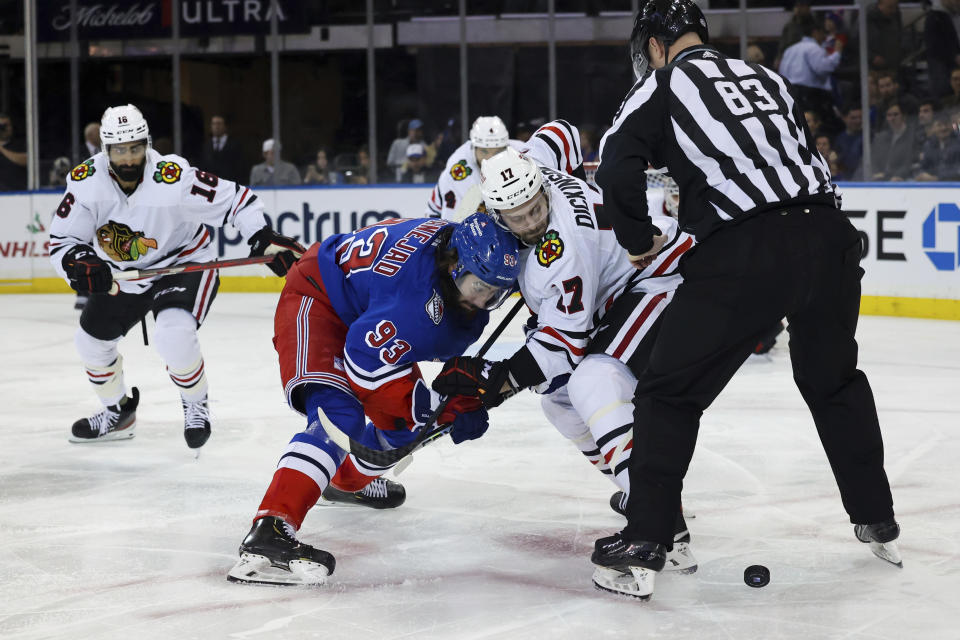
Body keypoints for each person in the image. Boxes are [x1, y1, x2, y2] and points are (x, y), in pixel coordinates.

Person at [589, 0, 899, 600]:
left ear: (655, 44)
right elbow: (797, 158)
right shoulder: (770, 77)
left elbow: (616, 174)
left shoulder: (661, 84)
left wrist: (636, 241)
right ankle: (876, 516)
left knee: (667, 392)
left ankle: (646, 540)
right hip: (831, 236)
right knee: (834, 381)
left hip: (749, 249)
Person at [431, 148, 699, 576]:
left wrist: (494, 383)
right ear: (497, 212)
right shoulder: (533, 160)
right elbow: (561, 133)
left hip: (663, 274)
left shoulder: (561, 252)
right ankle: (639, 489)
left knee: (593, 379)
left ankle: (660, 521)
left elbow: (563, 345)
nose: (532, 221)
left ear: (541, 189)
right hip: (619, 292)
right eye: (518, 217)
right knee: (559, 402)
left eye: (536, 208)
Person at [226, 213, 520, 585]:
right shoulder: (415, 304)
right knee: (339, 415)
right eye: (477, 285)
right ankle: (269, 531)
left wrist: (437, 410)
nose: (482, 300)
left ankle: (345, 481)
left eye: (494, 292)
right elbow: (365, 364)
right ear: (453, 263)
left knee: (405, 428)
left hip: (369, 309)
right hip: (318, 299)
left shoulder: (454, 254)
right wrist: (440, 411)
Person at [48, 104, 306, 449]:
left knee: (173, 334)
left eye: (136, 148)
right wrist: (77, 262)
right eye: (120, 150)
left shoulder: (173, 177)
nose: (129, 158)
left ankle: (195, 403)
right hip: (125, 276)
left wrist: (261, 236)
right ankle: (118, 412)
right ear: (106, 150)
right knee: (90, 342)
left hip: (182, 263)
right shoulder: (85, 183)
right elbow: (63, 240)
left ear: (147, 144)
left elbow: (238, 202)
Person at [426, 115, 583, 220]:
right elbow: (454, 224)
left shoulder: (518, 150)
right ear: (474, 147)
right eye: (485, 151)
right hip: (438, 218)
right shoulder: (459, 172)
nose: (492, 157)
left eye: (500, 150)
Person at [778, 17, 843, 134]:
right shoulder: (813, 48)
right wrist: (837, 53)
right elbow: (822, 69)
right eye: (823, 33)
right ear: (816, 32)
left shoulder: (790, 49)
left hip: (788, 93)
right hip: (809, 95)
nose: (824, 37)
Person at [871, 102, 919, 181]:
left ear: (904, 116)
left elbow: (908, 162)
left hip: (902, 180)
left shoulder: (913, 136)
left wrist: (889, 175)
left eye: (895, 114)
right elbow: (873, 160)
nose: (892, 118)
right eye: (889, 115)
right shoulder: (880, 138)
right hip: (880, 179)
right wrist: (875, 173)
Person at [914, 111, 960, 180]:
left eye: (946, 124)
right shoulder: (928, 145)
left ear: (951, 125)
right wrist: (921, 175)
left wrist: (937, 178)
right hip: (932, 187)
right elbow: (923, 167)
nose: (943, 128)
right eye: (939, 125)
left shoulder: (958, 142)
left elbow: (958, 170)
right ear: (933, 128)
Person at [201, 115, 245, 184]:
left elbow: (240, 167)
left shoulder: (235, 145)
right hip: (210, 185)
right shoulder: (206, 145)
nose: (216, 126)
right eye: (214, 124)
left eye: (219, 124)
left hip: (229, 184)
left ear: (225, 126)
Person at [867, 0, 903, 72]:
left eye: (895, 7)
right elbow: (855, 42)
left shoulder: (896, 14)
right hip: (872, 66)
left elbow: (900, 34)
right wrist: (871, 57)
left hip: (892, 64)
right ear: (880, 5)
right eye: (890, 7)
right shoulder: (868, 16)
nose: (893, 10)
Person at [833, 104, 864, 179]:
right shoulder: (840, 138)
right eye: (853, 118)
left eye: (860, 117)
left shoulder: (868, 137)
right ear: (844, 118)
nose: (858, 121)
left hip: (861, 178)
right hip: (844, 178)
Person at [0, 112, 27, 191]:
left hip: (17, 193)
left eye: (6, 126)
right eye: (1, 126)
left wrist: (1, 149)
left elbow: (25, 160)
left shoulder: (19, 144)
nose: (3, 129)